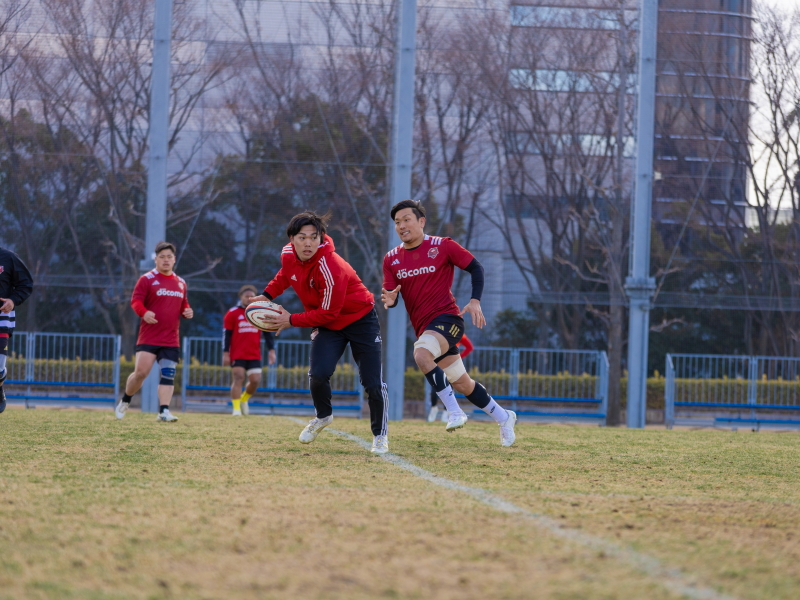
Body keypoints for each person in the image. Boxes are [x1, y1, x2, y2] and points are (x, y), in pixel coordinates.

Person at [248, 211, 390, 454]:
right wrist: (268, 295)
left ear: (322, 238)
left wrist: (290, 320)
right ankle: (323, 416)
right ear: (291, 239)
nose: (308, 243)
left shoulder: (330, 265)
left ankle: (380, 435)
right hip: (328, 324)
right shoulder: (287, 255)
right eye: (302, 237)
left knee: (372, 383)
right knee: (318, 374)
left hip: (360, 320)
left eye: (314, 237)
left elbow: (328, 313)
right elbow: (286, 275)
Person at [381, 199, 517, 446]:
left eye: (406, 220)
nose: (401, 225)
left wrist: (475, 300)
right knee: (463, 383)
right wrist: (390, 300)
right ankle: (504, 416)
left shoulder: (442, 246)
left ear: (421, 221)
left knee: (421, 355)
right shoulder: (391, 259)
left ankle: (454, 412)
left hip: (448, 319)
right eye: (397, 222)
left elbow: (476, 268)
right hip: (426, 329)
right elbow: (392, 296)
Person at [115, 242, 193, 422]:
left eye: (169, 257)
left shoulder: (181, 283)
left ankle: (163, 411)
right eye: (162, 257)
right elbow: (135, 302)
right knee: (141, 373)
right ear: (156, 259)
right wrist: (145, 312)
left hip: (171, 339)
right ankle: (126, 400)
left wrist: (187, 311)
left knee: (168, 374)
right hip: (149, 337)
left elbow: (184, 304)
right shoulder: (147, 279)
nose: (166, 260)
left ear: (174, 260)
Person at [222, 284, 276, 416]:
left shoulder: (260, 313)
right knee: (238, 377)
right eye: (246, 296)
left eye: (252, 296)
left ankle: (244, 399)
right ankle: (236, 410)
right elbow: (226, 334)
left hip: (254, 354)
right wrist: (225, 353)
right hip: (237, 353)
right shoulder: (233, 313)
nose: (249, 298)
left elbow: (268, 334)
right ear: (240, 297)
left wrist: (271, 350)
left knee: (255, 380)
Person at [0, 246, 34, 414]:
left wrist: (13, 301)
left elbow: (26, 284)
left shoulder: (8, 258)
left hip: (1, 319)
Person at [428, 333, 473, 422]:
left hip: (450, 364)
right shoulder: (439, 330)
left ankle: (446, 412)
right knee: (435, 387)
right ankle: (434, 408)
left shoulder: (458, 333)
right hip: (437, 363)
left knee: (449, 388)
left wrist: (460, 357)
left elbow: (469, 347)